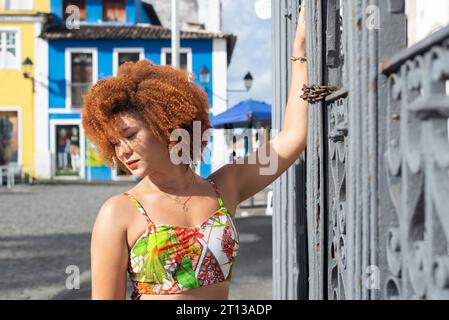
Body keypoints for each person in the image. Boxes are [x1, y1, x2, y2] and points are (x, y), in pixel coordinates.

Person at [83, 6, 307, 300]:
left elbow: (293, 137)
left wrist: (300, 52)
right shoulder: (118, 213)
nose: (123, 151)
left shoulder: (225, 186)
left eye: (129, 135)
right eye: (113, 143)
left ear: (164, 123)